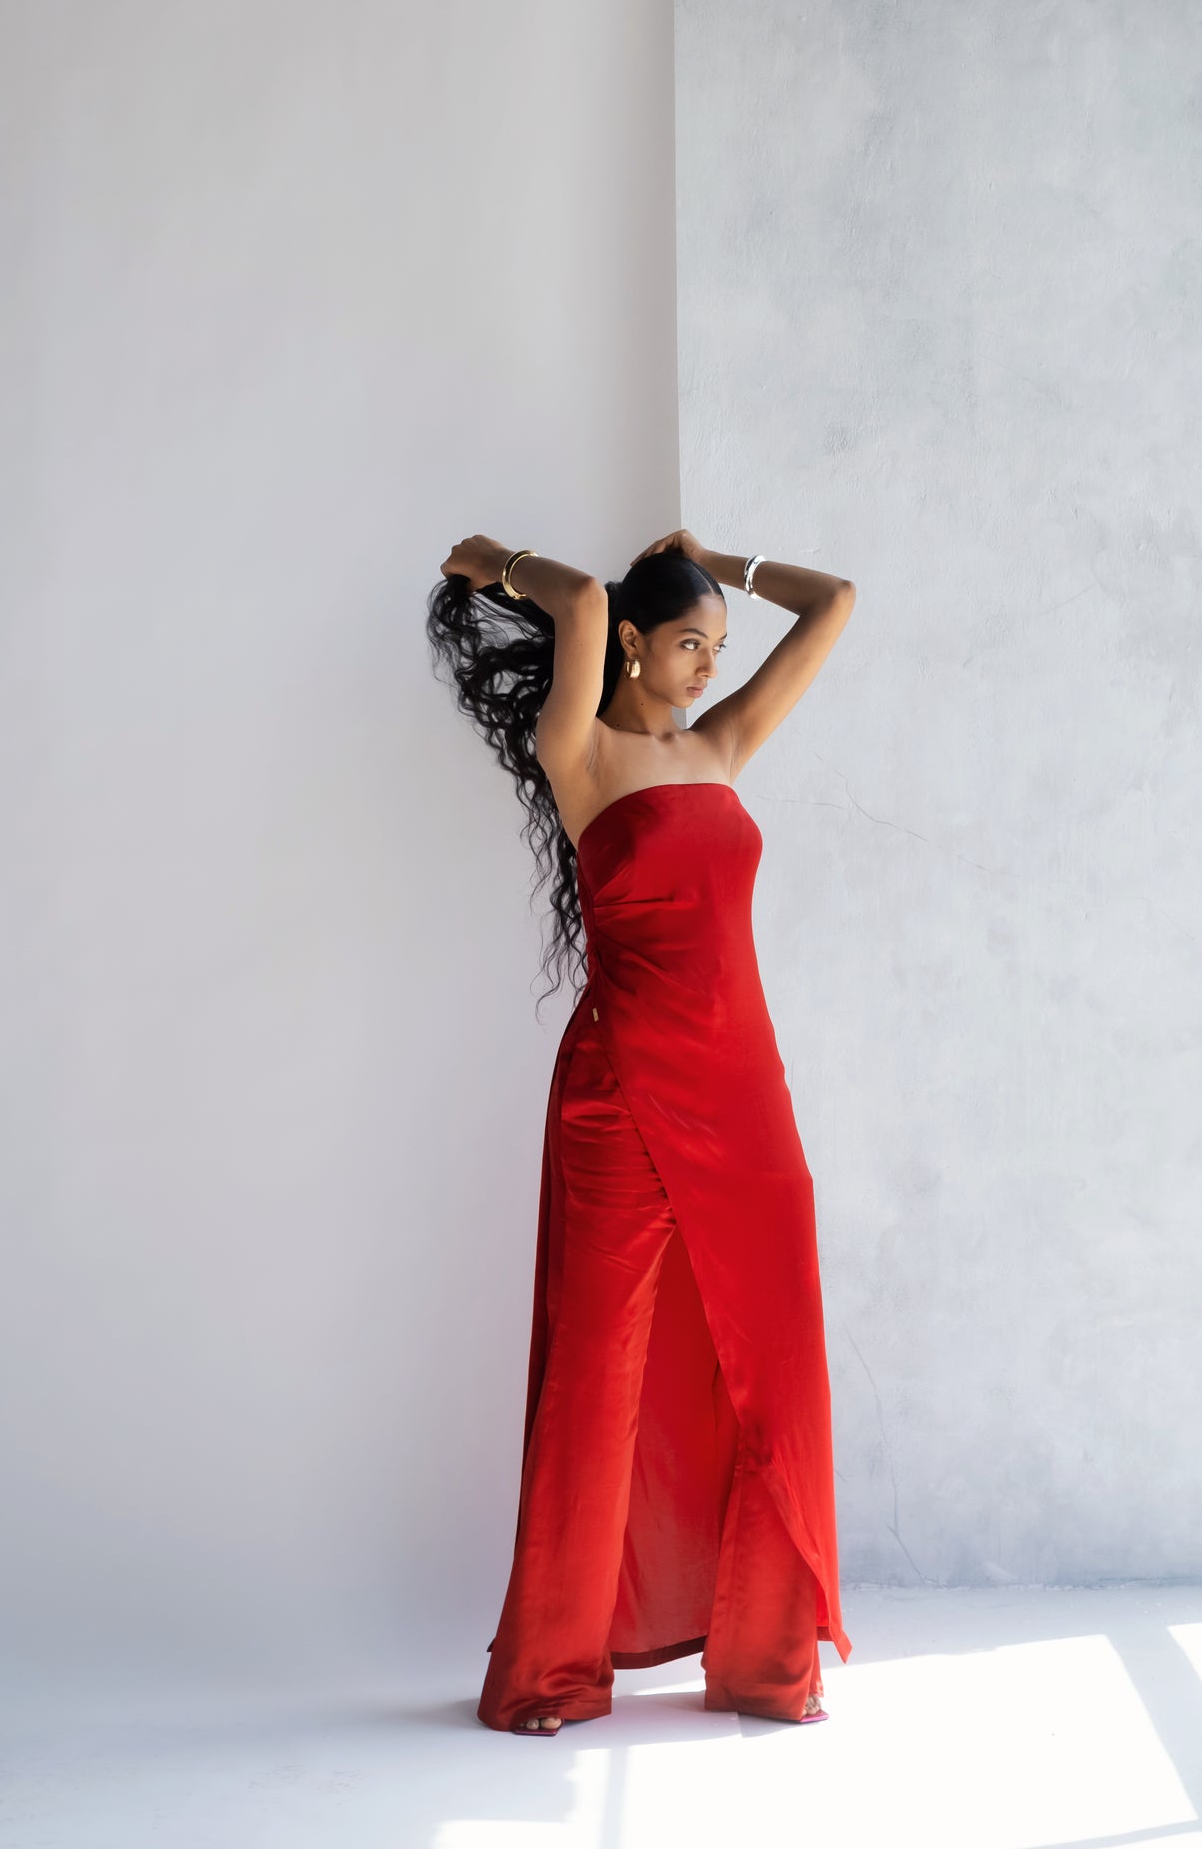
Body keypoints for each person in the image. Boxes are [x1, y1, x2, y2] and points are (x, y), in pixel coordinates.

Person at [427, 528, 857, 1733]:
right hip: (619, 1095)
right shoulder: (580, 751)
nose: (709, 667)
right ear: (626, 644)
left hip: (745, 1098)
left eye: (717, 648)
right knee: (596, 1377)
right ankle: (554, 1667)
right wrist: (491, 559)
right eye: (687, 642)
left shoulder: (719, 747)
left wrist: (721, 559)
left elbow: (834, 603)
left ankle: (770, 1663)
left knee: (773, 1361)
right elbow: (569, 598)